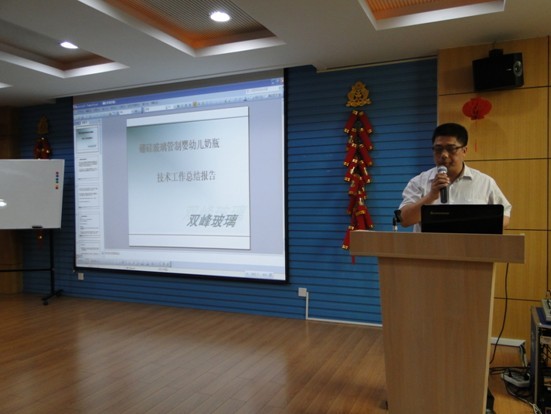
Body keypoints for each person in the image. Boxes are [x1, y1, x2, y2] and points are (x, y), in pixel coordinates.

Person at [398, 122, 511, 232]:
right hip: (430, 245)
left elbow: (505, 216)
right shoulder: (418, 182)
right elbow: (404, 220)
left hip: (470, 244)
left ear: (464, 151)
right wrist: (431, 196)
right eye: (438, 149)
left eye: (451, 149)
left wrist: (476, 225)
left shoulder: (484, 182)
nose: (444, 155)